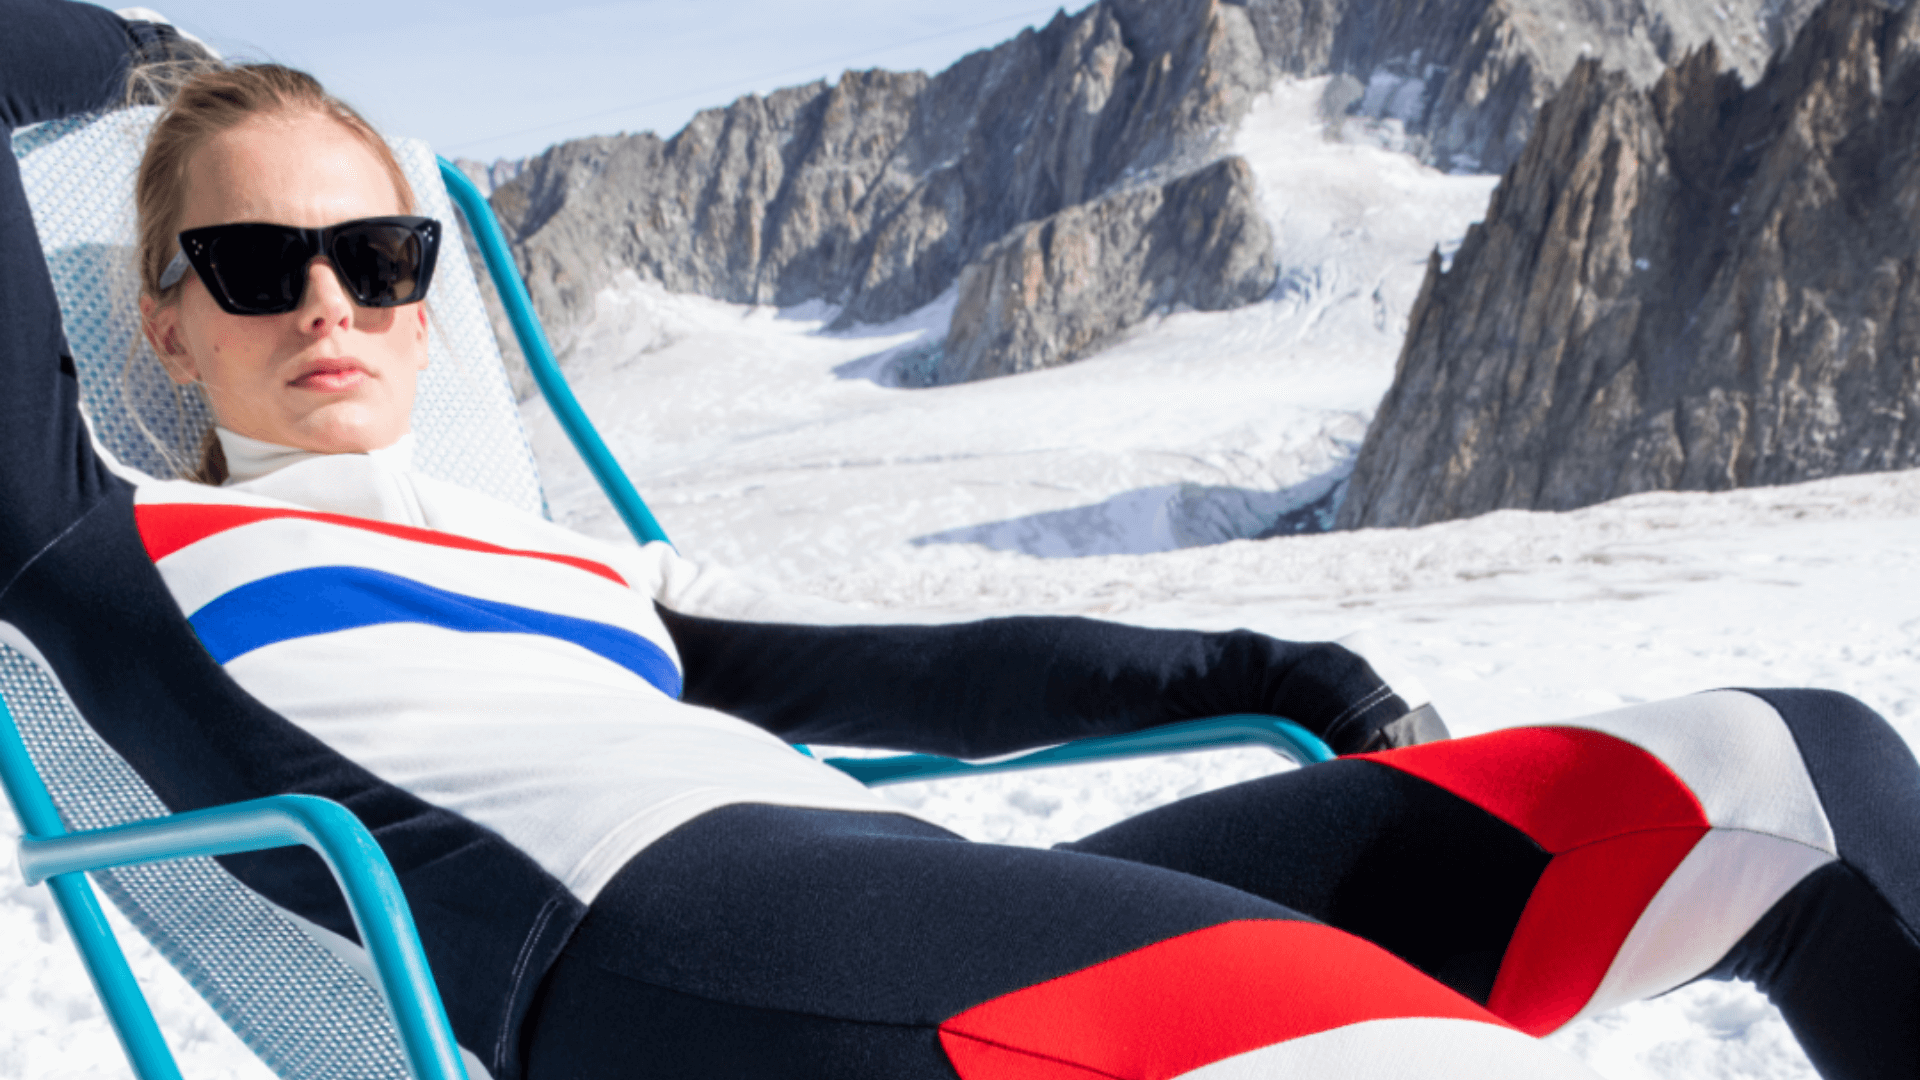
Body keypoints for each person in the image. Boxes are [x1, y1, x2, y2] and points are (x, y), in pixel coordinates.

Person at [2, 3, 1915, 1079]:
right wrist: (120, 50)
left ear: (428, 298)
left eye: (376, 251)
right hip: (668, 947)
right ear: (163, 325)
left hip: (910, 907)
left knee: (1788, 776)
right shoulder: (109, 549)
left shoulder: (581, 575)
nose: (324, 297)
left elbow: (925, 676)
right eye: (253, 264)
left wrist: (1271, 673)